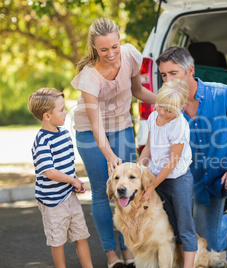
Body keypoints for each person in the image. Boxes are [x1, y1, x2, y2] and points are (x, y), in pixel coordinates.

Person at [156, 47, 227, 268]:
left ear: (190, 70)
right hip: (202, 183)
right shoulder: (168, 109)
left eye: (173, 73)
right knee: (208, 251)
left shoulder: (223, 94)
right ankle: (226, 224)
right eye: (163, 75)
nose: (167, 80)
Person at [71, 18, 156, 268]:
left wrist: (164, 101)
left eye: (114, 47)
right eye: (104, 49)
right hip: (90, 131)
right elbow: (96, 126)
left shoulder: (130, 55)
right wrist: (109, 157)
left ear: (120, 41)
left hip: (121, 125)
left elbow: (138, 91)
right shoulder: (89, 77)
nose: (111, 54)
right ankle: (111, 253)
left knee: (129, 188)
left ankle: (128, 247)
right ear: (94, 47)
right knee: (102, 190)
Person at [28, 88, 93, 268]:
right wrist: (72, 180)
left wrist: (75, 180)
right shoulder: (42, 141)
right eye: (62, 109)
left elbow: (67, 165)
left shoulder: (64, 134)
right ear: (47, 116)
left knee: (81, 235)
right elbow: (50, 172)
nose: (66, 113)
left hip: (69, 196)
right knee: (57, 240)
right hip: (52, 201)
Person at [137, 79, 197, 268]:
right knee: (168, 224)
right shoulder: (154, 117)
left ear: (181, 106)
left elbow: (172, 162)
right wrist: (139, 170)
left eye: (169, 110)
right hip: (157, 179)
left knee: (184, 226)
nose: (162, 112)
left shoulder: (179, 125)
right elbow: (148, 147)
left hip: (178, 181)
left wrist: (152, 186)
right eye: (160, 106)